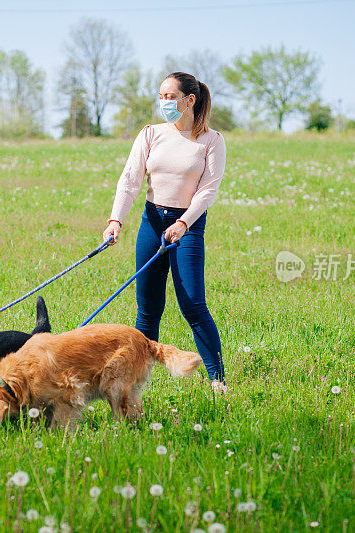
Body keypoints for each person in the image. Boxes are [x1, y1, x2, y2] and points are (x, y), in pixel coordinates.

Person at [102, 71, 227, 392]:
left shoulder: (211, 141)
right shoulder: (150, 134)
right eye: (161, 96)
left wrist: (184, 223)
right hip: (152, 221)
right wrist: (115, 220)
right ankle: (135, 383)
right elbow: (129, 181)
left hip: (188, 226)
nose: (164, 103)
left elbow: (208, 190)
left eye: (170, 97)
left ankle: (217, 380)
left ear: (190, 100)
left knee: (193, 304)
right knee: (148, 309)